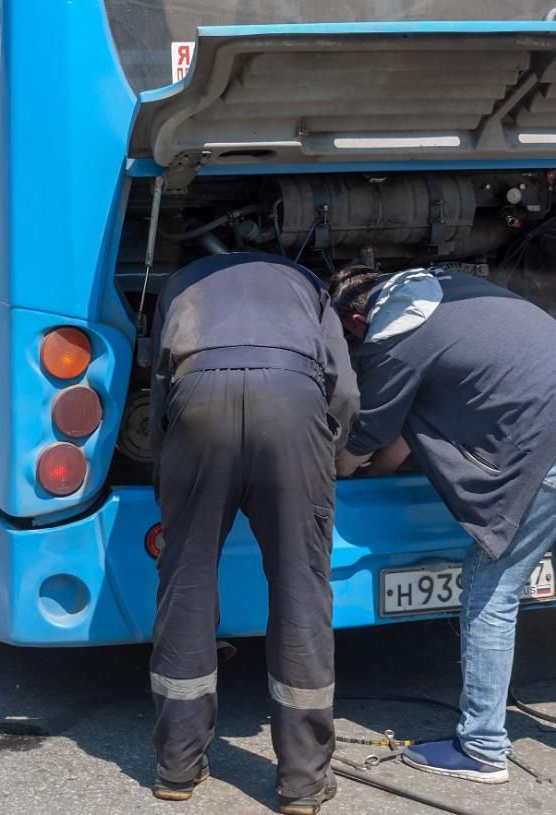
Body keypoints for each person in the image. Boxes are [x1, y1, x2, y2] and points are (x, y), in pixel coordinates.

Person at [330, 265, 556, 783]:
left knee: (490, 590)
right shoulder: (455, 287)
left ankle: (480, 747)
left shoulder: (391, 327)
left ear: (359, 317)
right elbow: (410, 428)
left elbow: (367, 437)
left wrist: (339, 472)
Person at [148, 252, 359, 814]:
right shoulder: (309, 285)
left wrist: (168, 479)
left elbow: (160, 392)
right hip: (293, 405)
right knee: (300, 589)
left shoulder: (180, 281)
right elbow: (344, 392)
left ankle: (177, 767)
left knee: (187, 584)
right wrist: (323, 447)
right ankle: (302, 783)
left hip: (198, 405)